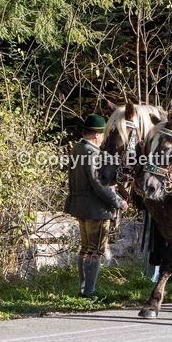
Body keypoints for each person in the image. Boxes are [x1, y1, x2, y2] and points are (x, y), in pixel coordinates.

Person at [64, 113, 129, 298]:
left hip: (80, 206)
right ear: (96, 135)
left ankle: (83, 289)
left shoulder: (77, 149)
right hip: (97, 209)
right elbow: (100, 184)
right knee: (95, 250)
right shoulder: (94, 153)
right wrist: (119, 202)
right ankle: (89, 291)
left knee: (85, 248)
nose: (103, 138)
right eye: (102, 134)